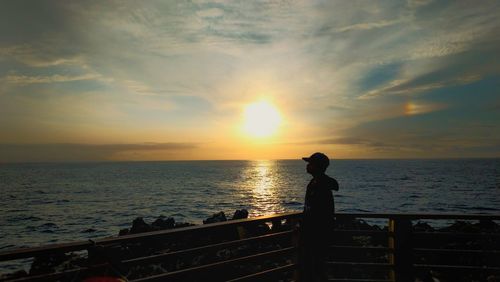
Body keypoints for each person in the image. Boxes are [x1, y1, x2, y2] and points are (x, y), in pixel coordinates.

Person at [299, 152, 339, 282]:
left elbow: (319, 213)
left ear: (316, 166)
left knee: (316, 268)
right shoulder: (315, 183)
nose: (307, 166)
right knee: (314, 268)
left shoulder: (320, 184)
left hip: (317, 236)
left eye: (310, 163)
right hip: (312, 235)